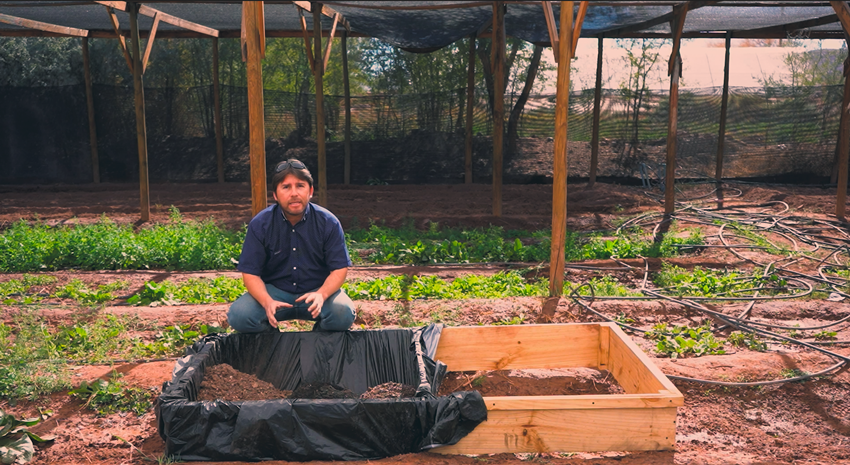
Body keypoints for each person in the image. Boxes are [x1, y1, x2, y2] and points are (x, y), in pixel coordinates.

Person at [227, 159, 355, 333]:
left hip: (316, 293)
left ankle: (318, 343)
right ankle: (274, 346)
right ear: (275, 195)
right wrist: (266, 301)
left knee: (342, 312)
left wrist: (322, 294)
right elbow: (250, 273)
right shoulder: (260, 224)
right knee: (240, 315)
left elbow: (339, 268)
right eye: (286, 187)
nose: (294, 193)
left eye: (300, 186)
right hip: (274, 293)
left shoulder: (328, 222)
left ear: (310, 191)